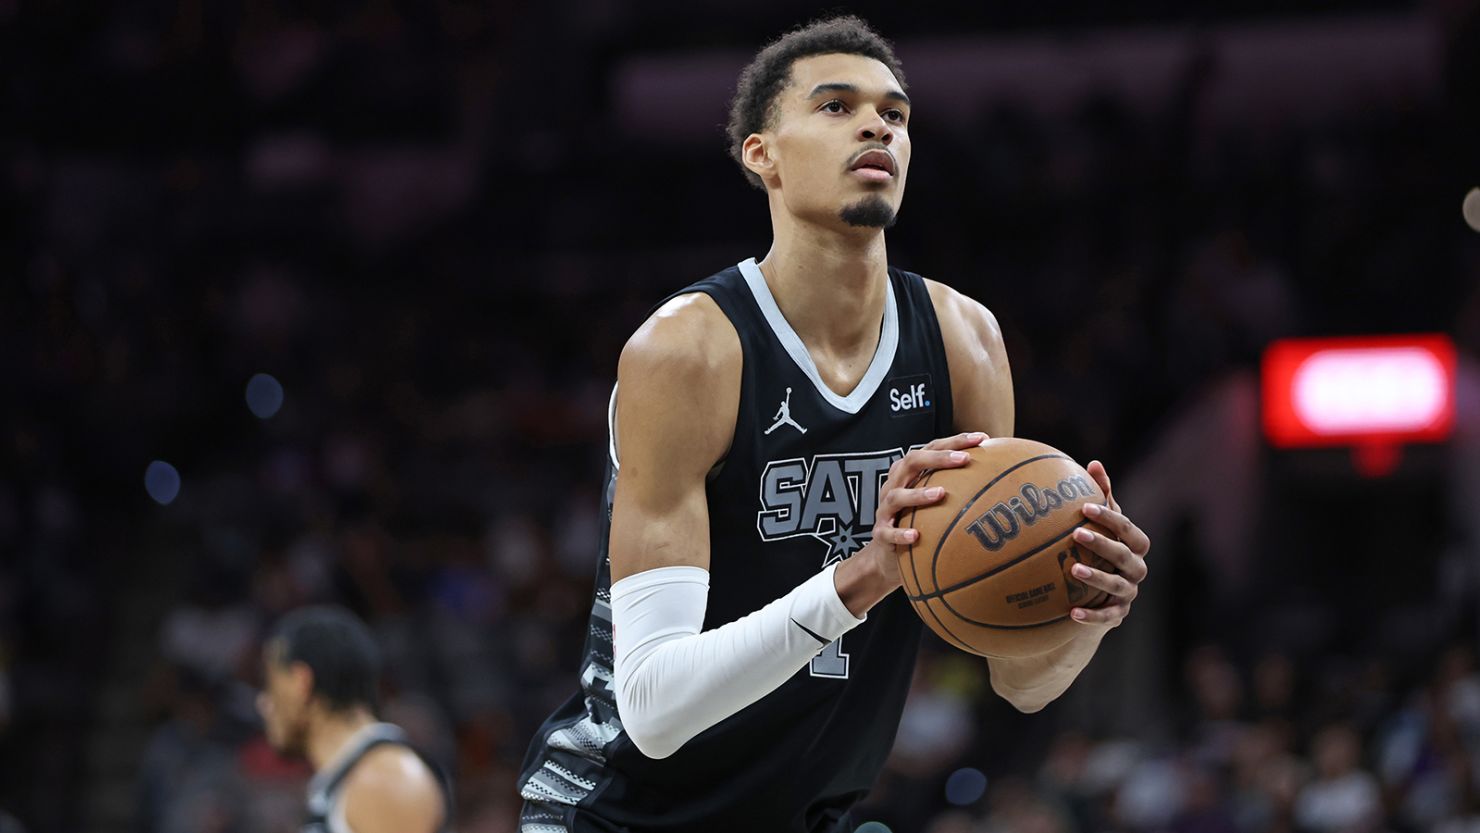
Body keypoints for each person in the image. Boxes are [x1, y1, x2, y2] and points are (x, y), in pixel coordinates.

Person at [517, 15, 1151, 833]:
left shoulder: (965, 342)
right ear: (762, 154)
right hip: (624, 814)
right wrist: (867, 572)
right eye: (836, 105)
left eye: (895, 113)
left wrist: (1086, 609)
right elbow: (651, 706)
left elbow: (1017, 678)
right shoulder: (687, 352)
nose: (876, 125)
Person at [258, 606, 452, 833]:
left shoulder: (382, 778)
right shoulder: (355, 779)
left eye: (270, 685)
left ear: (301, 681)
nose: (263, 703)